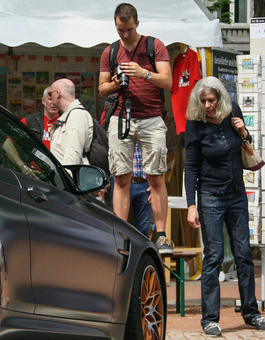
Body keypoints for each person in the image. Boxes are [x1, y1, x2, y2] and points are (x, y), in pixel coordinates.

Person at [184, 76, 265, 337]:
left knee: (244, 254)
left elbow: (246, 145)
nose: (208, 106)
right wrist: (192, 204)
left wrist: (244, 131)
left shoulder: (232, 109)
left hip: (236, 194)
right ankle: (210, 318)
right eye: (203, 102)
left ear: (221, 98)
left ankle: (251, 312)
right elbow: (191, 167)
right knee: (213, 257)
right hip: (210, 195)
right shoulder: (195, 124)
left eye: (212, 100)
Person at [98, 3, 173, 253]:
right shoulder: (110, 51)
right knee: (120, 176)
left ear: (137, 24)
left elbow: (168, 81)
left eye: (129, 29)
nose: (125, 35)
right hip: (121, 117)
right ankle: (120, 232)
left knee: (156, 176)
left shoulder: (154, 45)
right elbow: (102, 88)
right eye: (120, 30)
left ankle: (161, 235)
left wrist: (144, 73)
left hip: (151, 117)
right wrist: (117, 83)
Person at [47, 78, 93, 166]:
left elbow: (73, 155)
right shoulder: (69, 115)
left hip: (70, 177)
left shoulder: (76, 115)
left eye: (50, 93)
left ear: (58, 93)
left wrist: (67, 178)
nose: (50, 97)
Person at [110, 144, 152, 237]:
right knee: (119, 228)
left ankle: (141, 251)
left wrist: (155, 184)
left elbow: (156, 154)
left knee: (143, 230)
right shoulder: (116, 130)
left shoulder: (148, 131)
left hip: (144, 182)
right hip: (121, 183)